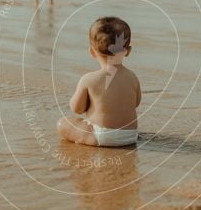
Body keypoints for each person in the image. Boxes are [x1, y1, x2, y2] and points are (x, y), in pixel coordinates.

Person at [57, 17, 141, 147]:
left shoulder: (89, 79)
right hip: (130, 135)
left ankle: (92, 139)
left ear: (91, 52)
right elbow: (136, 103)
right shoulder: (133, 77)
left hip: (102, 136)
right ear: (128, 51)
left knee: (63, 123)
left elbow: (77, 109)